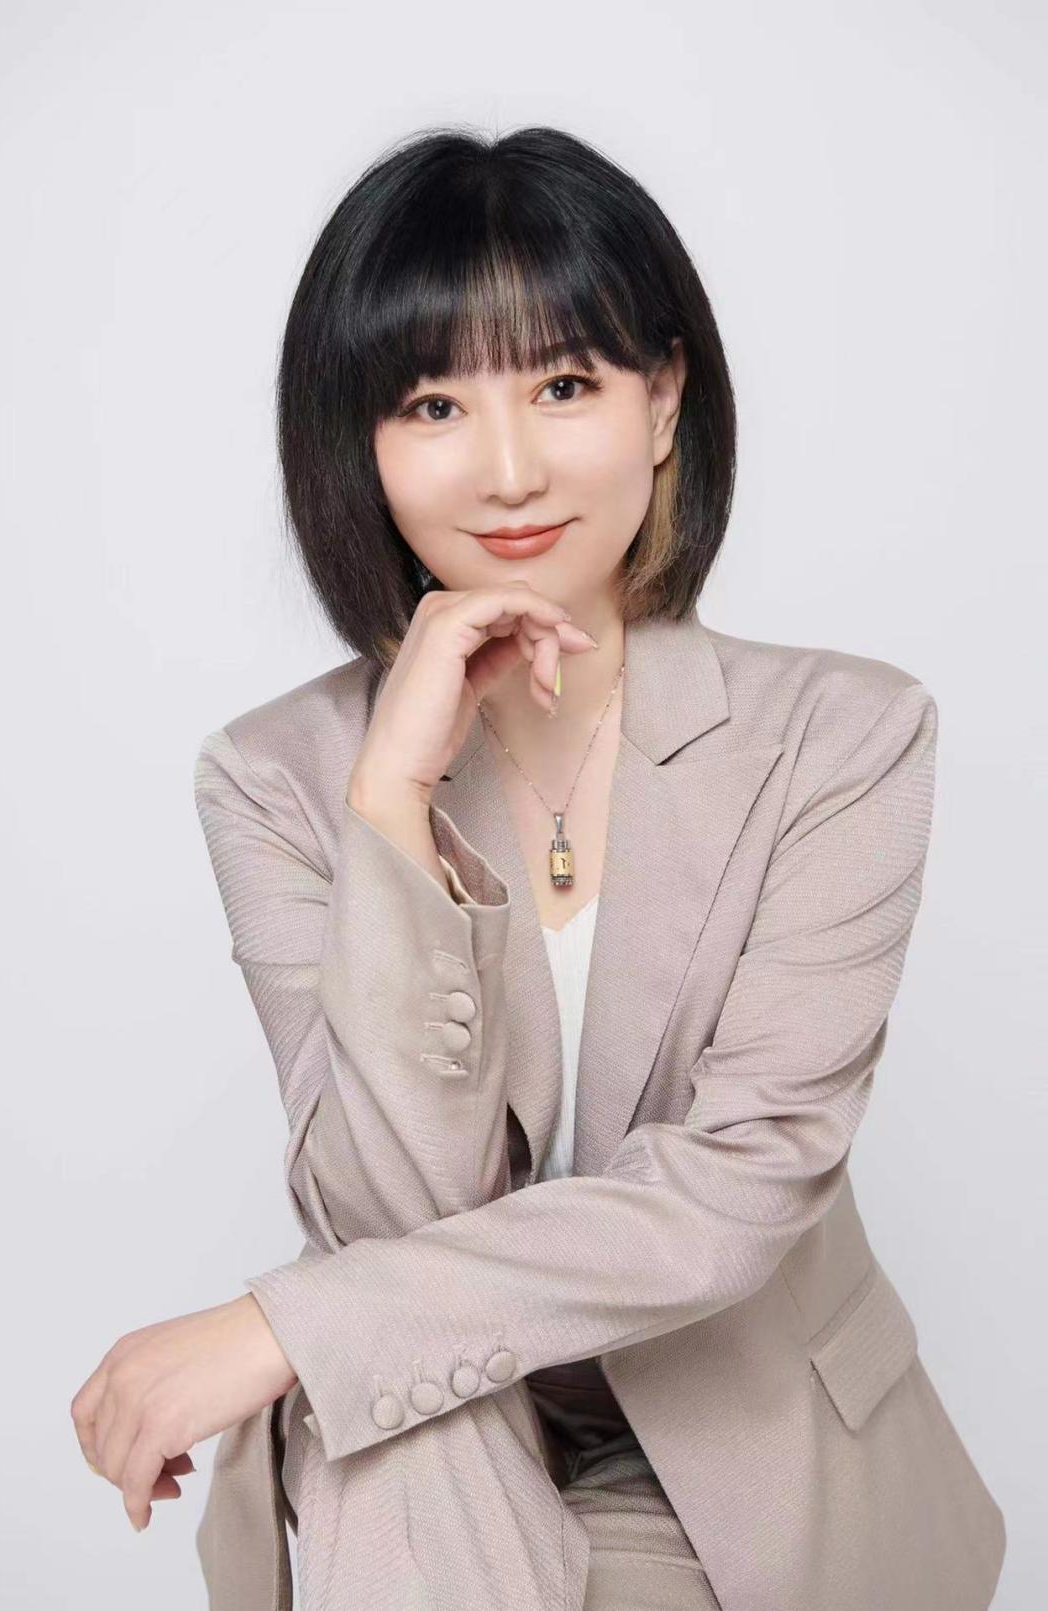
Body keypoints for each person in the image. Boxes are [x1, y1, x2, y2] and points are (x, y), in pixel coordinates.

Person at [71, 125, 1006, 1610]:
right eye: (434, 403)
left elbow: (739, 1188)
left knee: (377, 1408)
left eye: (564, 385)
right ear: (361, 445)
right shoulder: (275, 776)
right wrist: (392, 804)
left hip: (740, 1460)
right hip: (435, 1435)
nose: (507, 470)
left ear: (663, 400)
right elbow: (392, 1211)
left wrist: (287, 1329)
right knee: (397, 1439)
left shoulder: (842, 736)